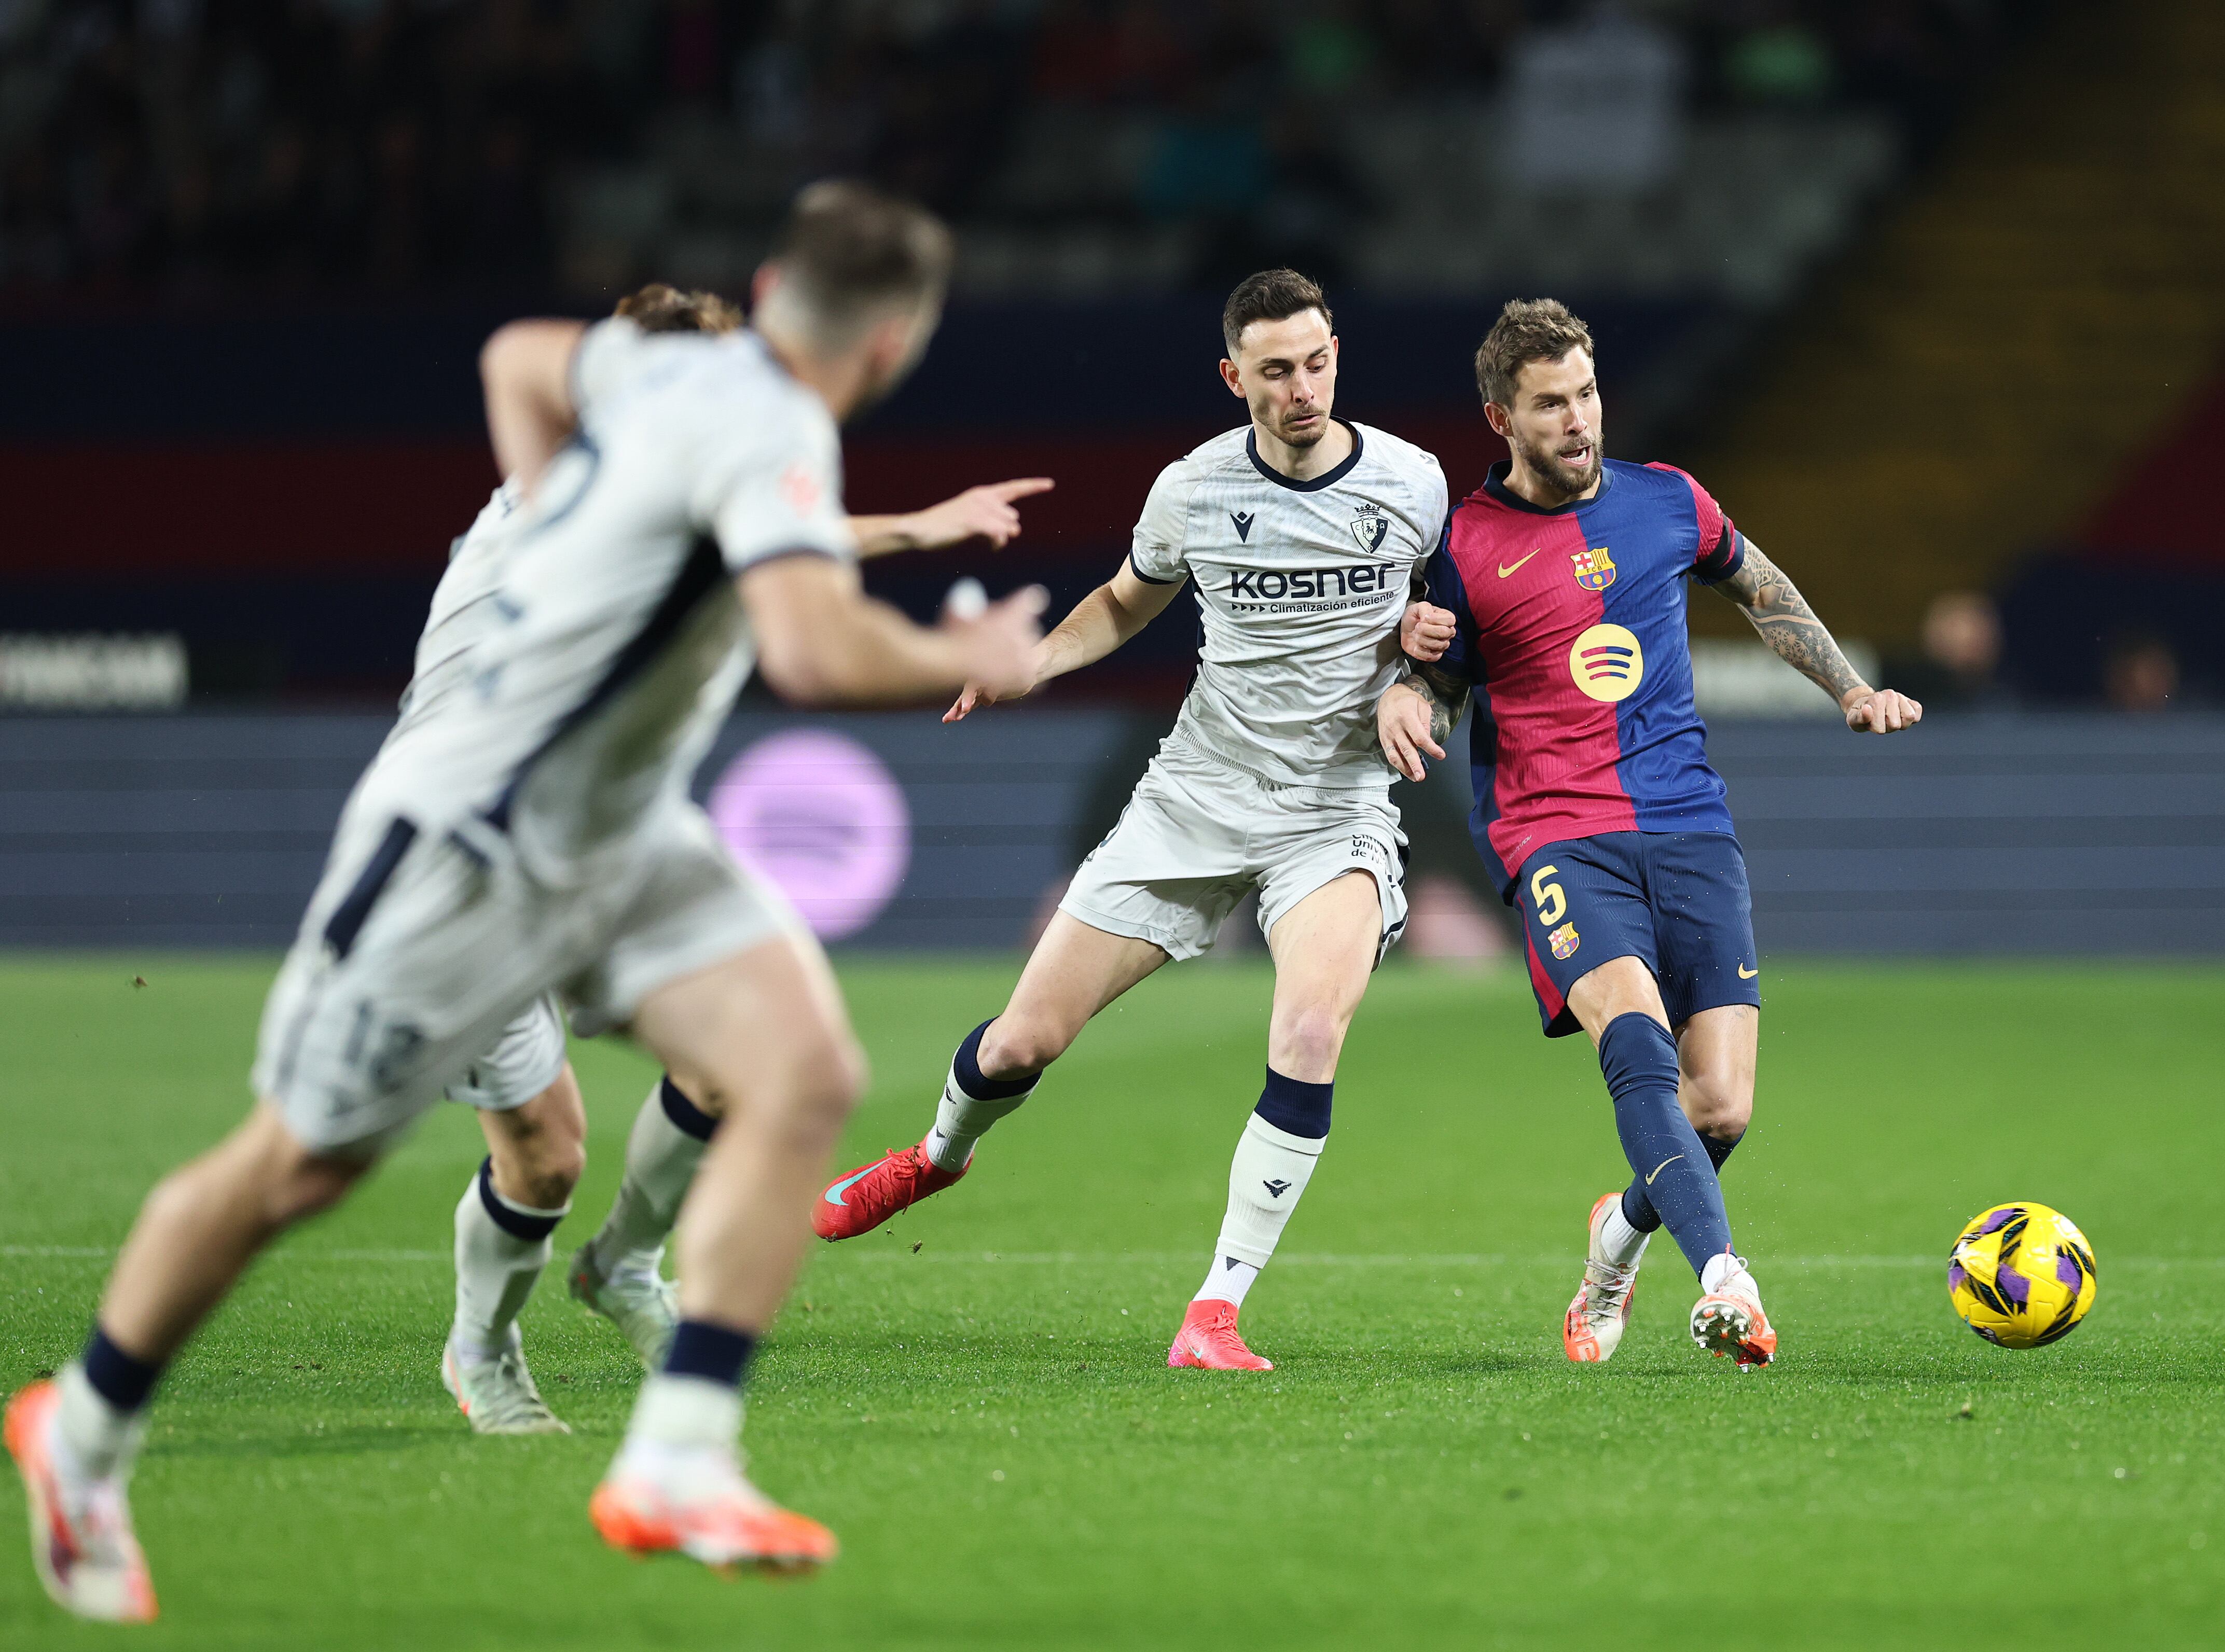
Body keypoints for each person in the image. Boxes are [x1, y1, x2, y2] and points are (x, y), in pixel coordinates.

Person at [5, 179, 1046, 1622]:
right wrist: (975, 655)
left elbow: (511, 354)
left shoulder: (660, 371)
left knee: (800, 1064)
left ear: (770, 284)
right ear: (895, 344)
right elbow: (806, 648)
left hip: (620, 840)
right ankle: (86, 1424)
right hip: (471, 847)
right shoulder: (770, 423)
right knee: (294, 1169)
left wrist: (554, 495)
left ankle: (680, 1452)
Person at [425, 284, 1055, 1435]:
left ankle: (620, 1269)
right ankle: (481, 1347)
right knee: (541, 1159)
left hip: (615, 840)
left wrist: (919, 526)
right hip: (478, 850)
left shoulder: (683, 487)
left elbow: (760, 527)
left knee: (746, 1063)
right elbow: (794, 604)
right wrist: (944, 647)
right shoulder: (565, 493)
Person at [809, 268, 1456, 1373]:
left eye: (1316, 363)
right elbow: (1123, 600)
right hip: (1193, 799)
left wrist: (1417, 685)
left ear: (1336, 354)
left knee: (1307, 1032)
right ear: (1232, 377)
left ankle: (1216, 1310)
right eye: (1274, 372)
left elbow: (1452, 633)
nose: (1302, 389)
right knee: (1022, 1042)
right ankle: (938, 1153)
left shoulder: (1414, 482)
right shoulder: (1194, 488)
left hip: (1333, 813)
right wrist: (1030, 662)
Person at [1378, 298, 1922, 1371]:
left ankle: (1618, 1237)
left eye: (1584, 394)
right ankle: (1728, 1282)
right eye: (1549, 404)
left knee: (1717, 1107)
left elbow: (1762, 589)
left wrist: (1850, 690)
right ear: (1502, 419)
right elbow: (1438, 679)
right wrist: (1412, 701)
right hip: (1555, 836)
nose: (1577, 420)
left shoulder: (1669, 499)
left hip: (1689, 825)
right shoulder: (1465, 546)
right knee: (1634, 1042)